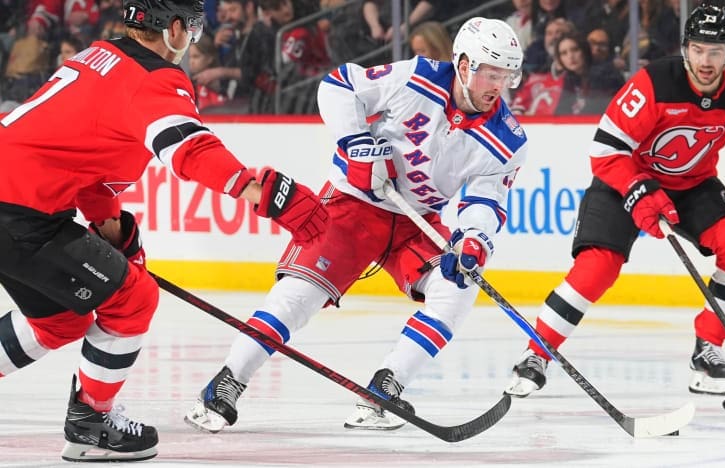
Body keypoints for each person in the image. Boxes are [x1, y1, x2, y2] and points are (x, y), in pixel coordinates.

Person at [0, 0, 328, 462]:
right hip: (20, 211)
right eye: (192, 30)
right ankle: (91, 424)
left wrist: (116, 236)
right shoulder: (154, 79)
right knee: (133, 299)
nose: (192, 42)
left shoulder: (99, 54)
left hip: (16, 204)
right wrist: (263, 193)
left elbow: (93, 174)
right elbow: (190, 150)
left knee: (59, 319)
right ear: (173, 28)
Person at [185, 16, 527, 433]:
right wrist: (357, 143)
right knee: (298, 296)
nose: (497, 84)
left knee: (458, 286)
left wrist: (474, 240)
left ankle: (382, 393)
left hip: (415, 224)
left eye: (506, 75)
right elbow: (339, 84)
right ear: (462, 63)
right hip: (353, 204)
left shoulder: (508, 139)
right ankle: (226, 383)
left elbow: (486, 201)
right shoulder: (417, 76)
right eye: (490, 73)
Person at [505, 4, 725, 398]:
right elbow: (606, 149)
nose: (705, 61)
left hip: (693, 185)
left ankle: (708, 348)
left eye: (715, 51)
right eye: (697, 49)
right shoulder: (654, 82)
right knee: (598, 266)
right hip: (624, 180)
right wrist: (639, 188)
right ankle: (536, 352)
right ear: (685, 48)